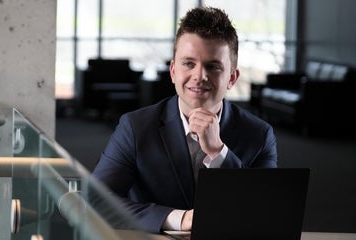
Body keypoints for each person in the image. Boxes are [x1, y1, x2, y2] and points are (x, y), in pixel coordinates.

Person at [91, 6, 277, 234]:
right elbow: (97, 202)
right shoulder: (135, 127)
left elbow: (265, 213)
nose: (199, 76)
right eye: (188, 63)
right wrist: (179, 219)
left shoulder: (259, 135)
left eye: (213, 66)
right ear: (173, 71)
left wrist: (219, 152)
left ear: (232, 77)